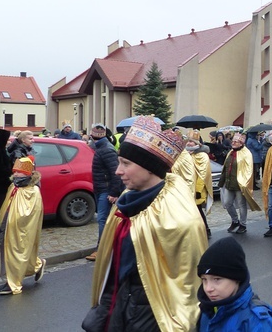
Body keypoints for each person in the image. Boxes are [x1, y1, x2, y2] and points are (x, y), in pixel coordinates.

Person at [82, 116, 207, 332]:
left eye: (126, 164)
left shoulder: (181, 219)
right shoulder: (125, 203)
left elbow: (187, 286)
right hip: (117, 306)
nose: (117, 171)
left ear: (150, 168)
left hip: (153, 316)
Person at [197, 237, 272, 331]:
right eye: (204, 279)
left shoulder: (255, 321)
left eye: (217, 279)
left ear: (237, 279)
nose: (208, 288)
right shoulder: (208, 309)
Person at [0, 156, 46, 295]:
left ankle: (13, 282)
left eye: (18, 172)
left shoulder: (32, 191)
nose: (15, 174)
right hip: (7, 224)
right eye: (15, 171)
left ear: (27, 173)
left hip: (21, 228)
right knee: (5, 249)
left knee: (18, 250)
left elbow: (31, 213)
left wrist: (17, 223)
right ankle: (36, 264)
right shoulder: (14, 186)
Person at [86, 123, 122, 261]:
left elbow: (115, 173)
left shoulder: (106, 149)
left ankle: (102, 249)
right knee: (103, 219)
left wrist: (113, 193)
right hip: (101, 188)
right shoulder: (101, 147)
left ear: (92, 135)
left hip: (106, 190)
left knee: (103, 220)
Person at [221, 133, 261, 235]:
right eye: (233, 141)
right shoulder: (231, 152)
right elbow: (226, 167)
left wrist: (244, 183)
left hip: (239, 184)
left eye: (236, 142)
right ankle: (235, 221)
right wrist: (222, 181)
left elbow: (248, 170)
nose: (233, 143)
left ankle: (243, 224)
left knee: (241, 205)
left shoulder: (246, 153)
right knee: (227, 203)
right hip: (229, 183)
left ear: (241, 143)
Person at [187, 130, 214, 238]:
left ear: (197, 144)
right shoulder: (186, 154)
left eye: (191, 142)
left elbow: (203, 174)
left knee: (197, 210)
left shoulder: (202, 156)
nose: (189, 143)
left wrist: (198, 190)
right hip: (187, 188)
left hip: (198, 189)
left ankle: (206, 229)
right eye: (188, 141)